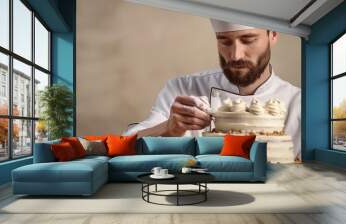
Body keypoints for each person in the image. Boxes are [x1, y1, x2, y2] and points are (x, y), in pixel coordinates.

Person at [122, 19, 301, 161]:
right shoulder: (183, 89)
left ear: (274, 35)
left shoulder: (299, 102)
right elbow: (124, 145)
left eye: (248, 40)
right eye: (225, 42)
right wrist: (168, 128)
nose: (235, 55)